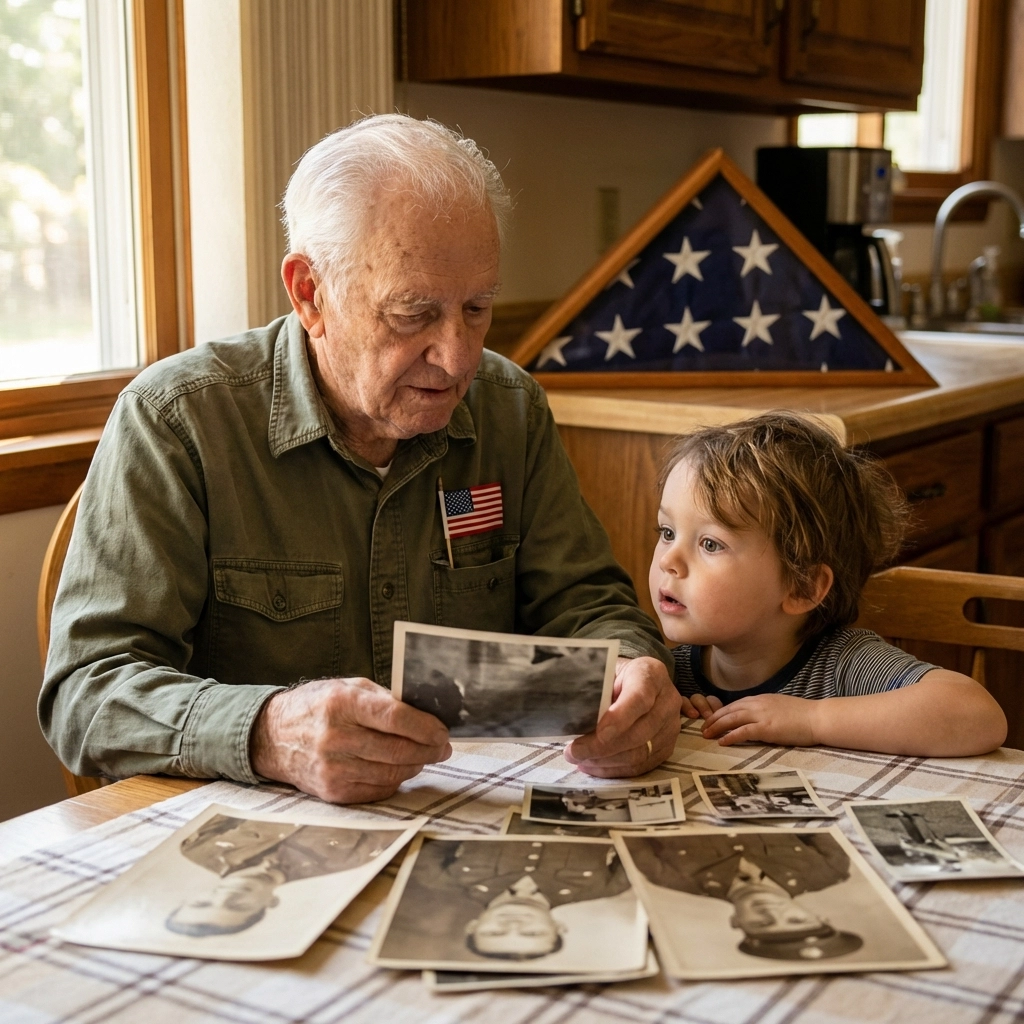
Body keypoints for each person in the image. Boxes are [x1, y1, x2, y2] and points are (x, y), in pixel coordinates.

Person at [40, 114, 682, 803]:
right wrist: (265, 731)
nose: (458, 357)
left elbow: (587, 604)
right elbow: (89, 691)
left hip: (470, 822)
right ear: (310, 294)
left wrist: (635, 669)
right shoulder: (178, 421)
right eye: (413, 314)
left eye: (477, 307)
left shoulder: (509, 408)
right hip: (251, 843)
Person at [649, 412, 1007, 757]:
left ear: (802, 586)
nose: (668, 561)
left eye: (711, 544)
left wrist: (812, 720)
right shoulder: (667, 673)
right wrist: (665, 710)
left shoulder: (842, 666)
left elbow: (978, 715)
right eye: (667, 532)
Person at [624, 832, 863, 961]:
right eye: (796, 920)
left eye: (761, 923)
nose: (771, 912)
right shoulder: (830, 869)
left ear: (736, 922)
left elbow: (631, 835)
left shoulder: (671, 878)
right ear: (815, 915)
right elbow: (815, 820)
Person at [166, 813, 395, 936]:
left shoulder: (196, 849)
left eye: (202, 903)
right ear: (270, 903)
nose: (224, 897)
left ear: (195, 895)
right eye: (238, 906)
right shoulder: (344, 865)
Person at [421, 838, 630, 960]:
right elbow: (634, 842)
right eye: (532, 932)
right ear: (558, 927)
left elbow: (435, 838)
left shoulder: (441, 878)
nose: (514, 924)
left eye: (495, 932)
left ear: (472, 926)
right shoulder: (604, 888)